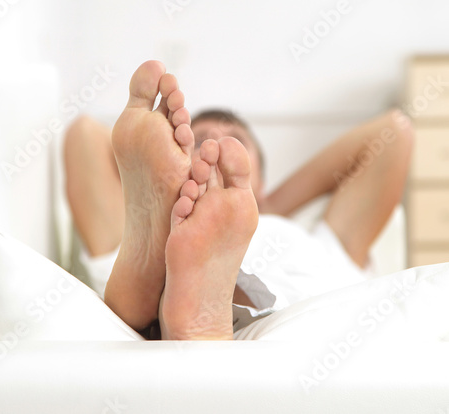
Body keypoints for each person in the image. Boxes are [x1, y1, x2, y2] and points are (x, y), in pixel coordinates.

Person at [64, 60, 414, 340]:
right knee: (150, 275)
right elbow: (84, 137)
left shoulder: (317, 239)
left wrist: (266, 204)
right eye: (197, 141)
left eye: (235, 143)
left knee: (144, 309)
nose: (212, 150)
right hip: (297, 346)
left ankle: (176, 310)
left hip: (303, 325)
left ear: (260, 178)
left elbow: (394, 135)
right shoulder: (139, 225)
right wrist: (162, 192)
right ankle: (171, 303)